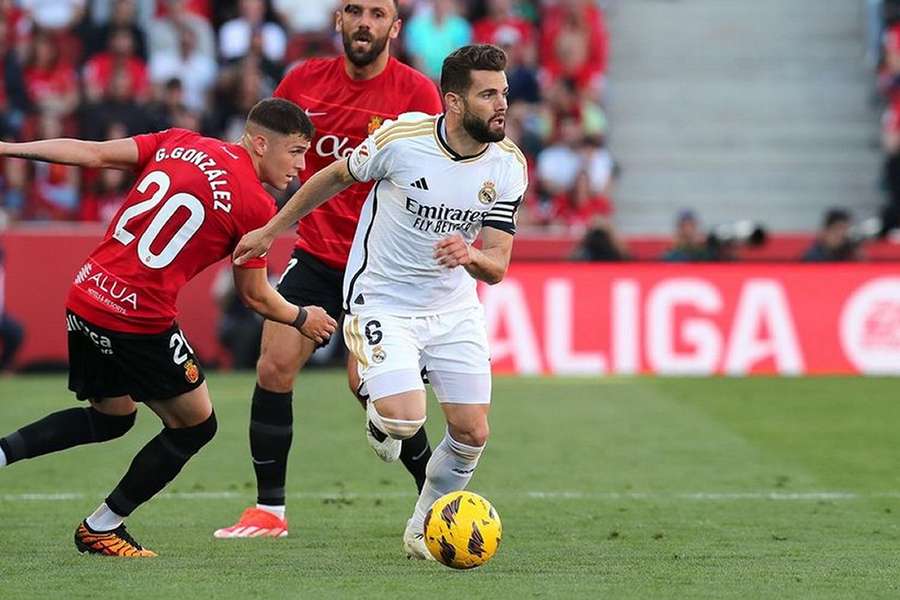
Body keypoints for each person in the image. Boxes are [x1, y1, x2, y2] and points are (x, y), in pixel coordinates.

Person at [0, 98, 337, 557]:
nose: (301, 166)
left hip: (86, 293)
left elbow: (92, 154)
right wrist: (304, 317)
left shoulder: (179, 142)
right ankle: (102, 526)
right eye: (296, 152)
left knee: (111, 418)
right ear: (260, 144)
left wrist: (8, 148)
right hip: (137, 318)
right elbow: (255, 296)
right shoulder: (256, 205)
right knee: (196, 426)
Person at [233, 44, 527, 560]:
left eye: (503, 92)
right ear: (455, 103)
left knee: (472, 431)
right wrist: (273, 228)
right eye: (488, 94)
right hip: (384, 297)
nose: (501, 104)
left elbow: (498, 264)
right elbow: (334, 175)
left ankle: (422, 526)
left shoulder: (508, 166)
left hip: (454, 307)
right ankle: (375, 409)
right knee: (403, 420)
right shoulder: (402, 139)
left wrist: (470, 255)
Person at [214, 0, 443, 540]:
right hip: (316, 254)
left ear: (395, 27)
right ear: (338, 20)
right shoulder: (303, 81)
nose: (365, 22)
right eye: (355, 11)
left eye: (377, 14)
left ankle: (437, 503)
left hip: (382, 264)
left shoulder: (417, 95)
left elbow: (434, 175)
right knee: (273, 365)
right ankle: (269, 512)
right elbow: (263, 153)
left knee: (376, 392)